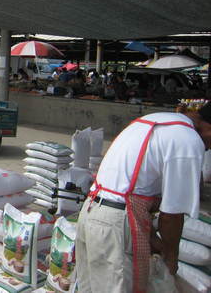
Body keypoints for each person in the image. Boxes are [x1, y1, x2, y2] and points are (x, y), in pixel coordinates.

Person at [76, 102, 211, 292]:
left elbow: (134, 188)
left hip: (92, 211)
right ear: (207, 127)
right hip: (116, 224)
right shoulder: (188, 140)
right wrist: (171, 258)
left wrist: (155, 241)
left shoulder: (157, 120)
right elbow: (171, 215)